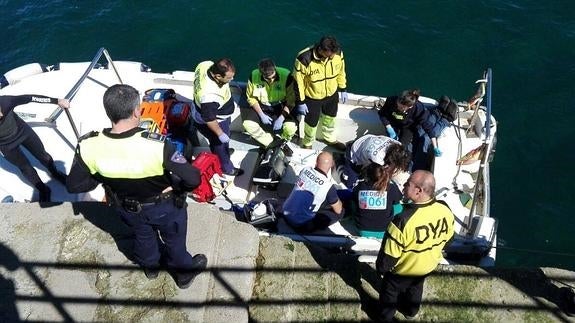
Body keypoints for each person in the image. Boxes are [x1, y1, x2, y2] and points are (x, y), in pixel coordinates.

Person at [66, 84, 207, 289]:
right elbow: (193, 178)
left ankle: (151, 268)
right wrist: (175, 188)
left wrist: (104, 177)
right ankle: (184, 274)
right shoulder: (156, 144)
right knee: (174, 240)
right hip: (164, 207)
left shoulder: (88, 145)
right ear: (136, 111)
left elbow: (75, 185)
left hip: (125, 207)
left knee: (142, 236)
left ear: (109, 112)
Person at [375, 170, 454, 321]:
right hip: (428, 266)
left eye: (407, 184)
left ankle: (385, 317)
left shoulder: (402, 220)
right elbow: (449, 240)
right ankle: (411, 312)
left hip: (403, 272)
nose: (404, 186)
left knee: (389, 293)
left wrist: (381, 269)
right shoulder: (445, 209)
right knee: (416, 288)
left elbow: (389, 257)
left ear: (418, 191)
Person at [0, 95, 70, 202]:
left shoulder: (6, 101)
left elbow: (31, 98)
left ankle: (55, 173)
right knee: (25, 168)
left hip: (23, 132)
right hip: (5, 145)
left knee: (43, 155)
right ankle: (43, 189)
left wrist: (57, 101)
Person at [293, 35, 347, 150]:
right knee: (311, 123)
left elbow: (341, 71)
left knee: (330, 119)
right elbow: (298, 82)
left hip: (331, 95)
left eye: (334, 53)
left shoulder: (337, 53)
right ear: (321, 50)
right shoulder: (304, 58)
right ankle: (307, 143)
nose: (332, 57)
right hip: (312, 98)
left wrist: (343, 88)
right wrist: (301, 101)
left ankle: (330, 139)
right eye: (329, 55)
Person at [191, 58, 243, 176]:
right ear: (218, 76)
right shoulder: (209, 95)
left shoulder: (205, 65)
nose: (232, 80)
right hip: (214, 121)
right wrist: (220, 134)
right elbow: (209, 119)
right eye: (229, 78)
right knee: (218, 143)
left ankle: (225, 153)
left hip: (216, 111)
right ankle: (226, 167)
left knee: (223, 140)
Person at [351, 144, 410, 239]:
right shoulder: (391, 188)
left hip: (361, 229)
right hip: (384, 230)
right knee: (399, 207)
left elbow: (353, 203)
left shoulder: (359, 187)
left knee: (354, 203)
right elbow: (398, 200)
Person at [282, 151, 343, 232]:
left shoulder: (305, 170)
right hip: (300, 225)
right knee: (340, 213)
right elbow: (338, 210)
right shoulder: (327, 186)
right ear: (331, 165)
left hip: (285, 213)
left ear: (316, 161)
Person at [243, 58, 297, 148]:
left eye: (272, 76)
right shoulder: (253, 75)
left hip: (281, 106)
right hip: (262, 106)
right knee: (248, 124)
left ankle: (283, 140)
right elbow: (251, 98)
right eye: (267, 77)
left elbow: (291, 100)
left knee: (291, 127)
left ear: (275, 68)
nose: (270, 79)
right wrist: (261, 114)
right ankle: (270, 142)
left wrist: (281, 118)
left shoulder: (286, 75)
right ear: (260, 72)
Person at [377, 89, 442, 164]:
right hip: (393, 125)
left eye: (401, 108)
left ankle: (438, 113)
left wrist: (435, 147)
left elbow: (428, 127)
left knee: (402, 147)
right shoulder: (391, 100)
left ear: (410, 107)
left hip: (409, 127)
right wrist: (389, 128)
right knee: (390, 144)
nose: (398, 108)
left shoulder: (418, 109)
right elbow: (382, 114)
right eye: (398, 105)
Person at [341, 134, 407, 189]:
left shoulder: (398, 145)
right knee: (351, 184)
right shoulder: (377, 158)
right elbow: (376, 173)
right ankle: (339, 161)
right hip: (354, 153)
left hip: (366, 140)